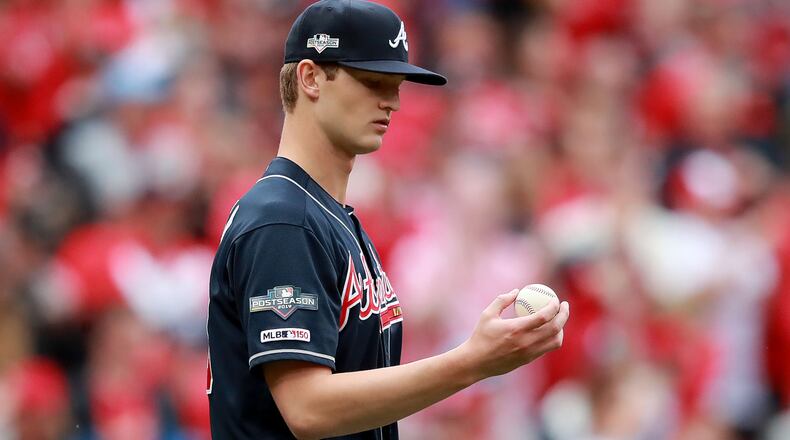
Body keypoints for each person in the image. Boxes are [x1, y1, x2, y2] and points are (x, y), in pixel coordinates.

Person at [205, 1, 571, 439]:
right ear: (310, 77)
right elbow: (307, 408)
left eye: (397, 85)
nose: (393, 102)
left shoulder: (330, 218)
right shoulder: (284, 220)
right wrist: (472, 361)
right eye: (373, 81)